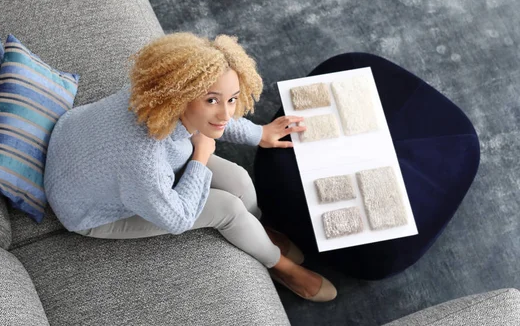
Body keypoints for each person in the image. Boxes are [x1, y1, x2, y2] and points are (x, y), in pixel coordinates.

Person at [43, 32, 337, 302]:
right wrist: (200, 155)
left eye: (232, 99)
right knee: (228, 209)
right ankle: (280, 266)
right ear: (180, 96)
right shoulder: (144, 160)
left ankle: (258, 231)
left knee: (239, 180)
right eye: (212, 100)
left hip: (94, 153)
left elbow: (217, 117)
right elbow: (177, 217)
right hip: (88, 210)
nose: (226, 112)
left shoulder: (158, 97)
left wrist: (260, 134)